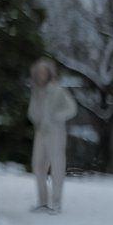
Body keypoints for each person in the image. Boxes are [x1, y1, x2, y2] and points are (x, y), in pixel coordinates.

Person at [27, 56, 77, 214]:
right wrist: (36, 116)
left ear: (49, 74)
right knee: (38, 165)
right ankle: (43, 201)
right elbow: (32, 113)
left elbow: (72, 108)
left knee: (57, 166)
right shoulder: (36, 92)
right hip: (41, 132)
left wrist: (56, 117)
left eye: (44, 72)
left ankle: (56, 202)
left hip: (55, 133)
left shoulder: (58, 90)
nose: (41, 75)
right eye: (38, 72)